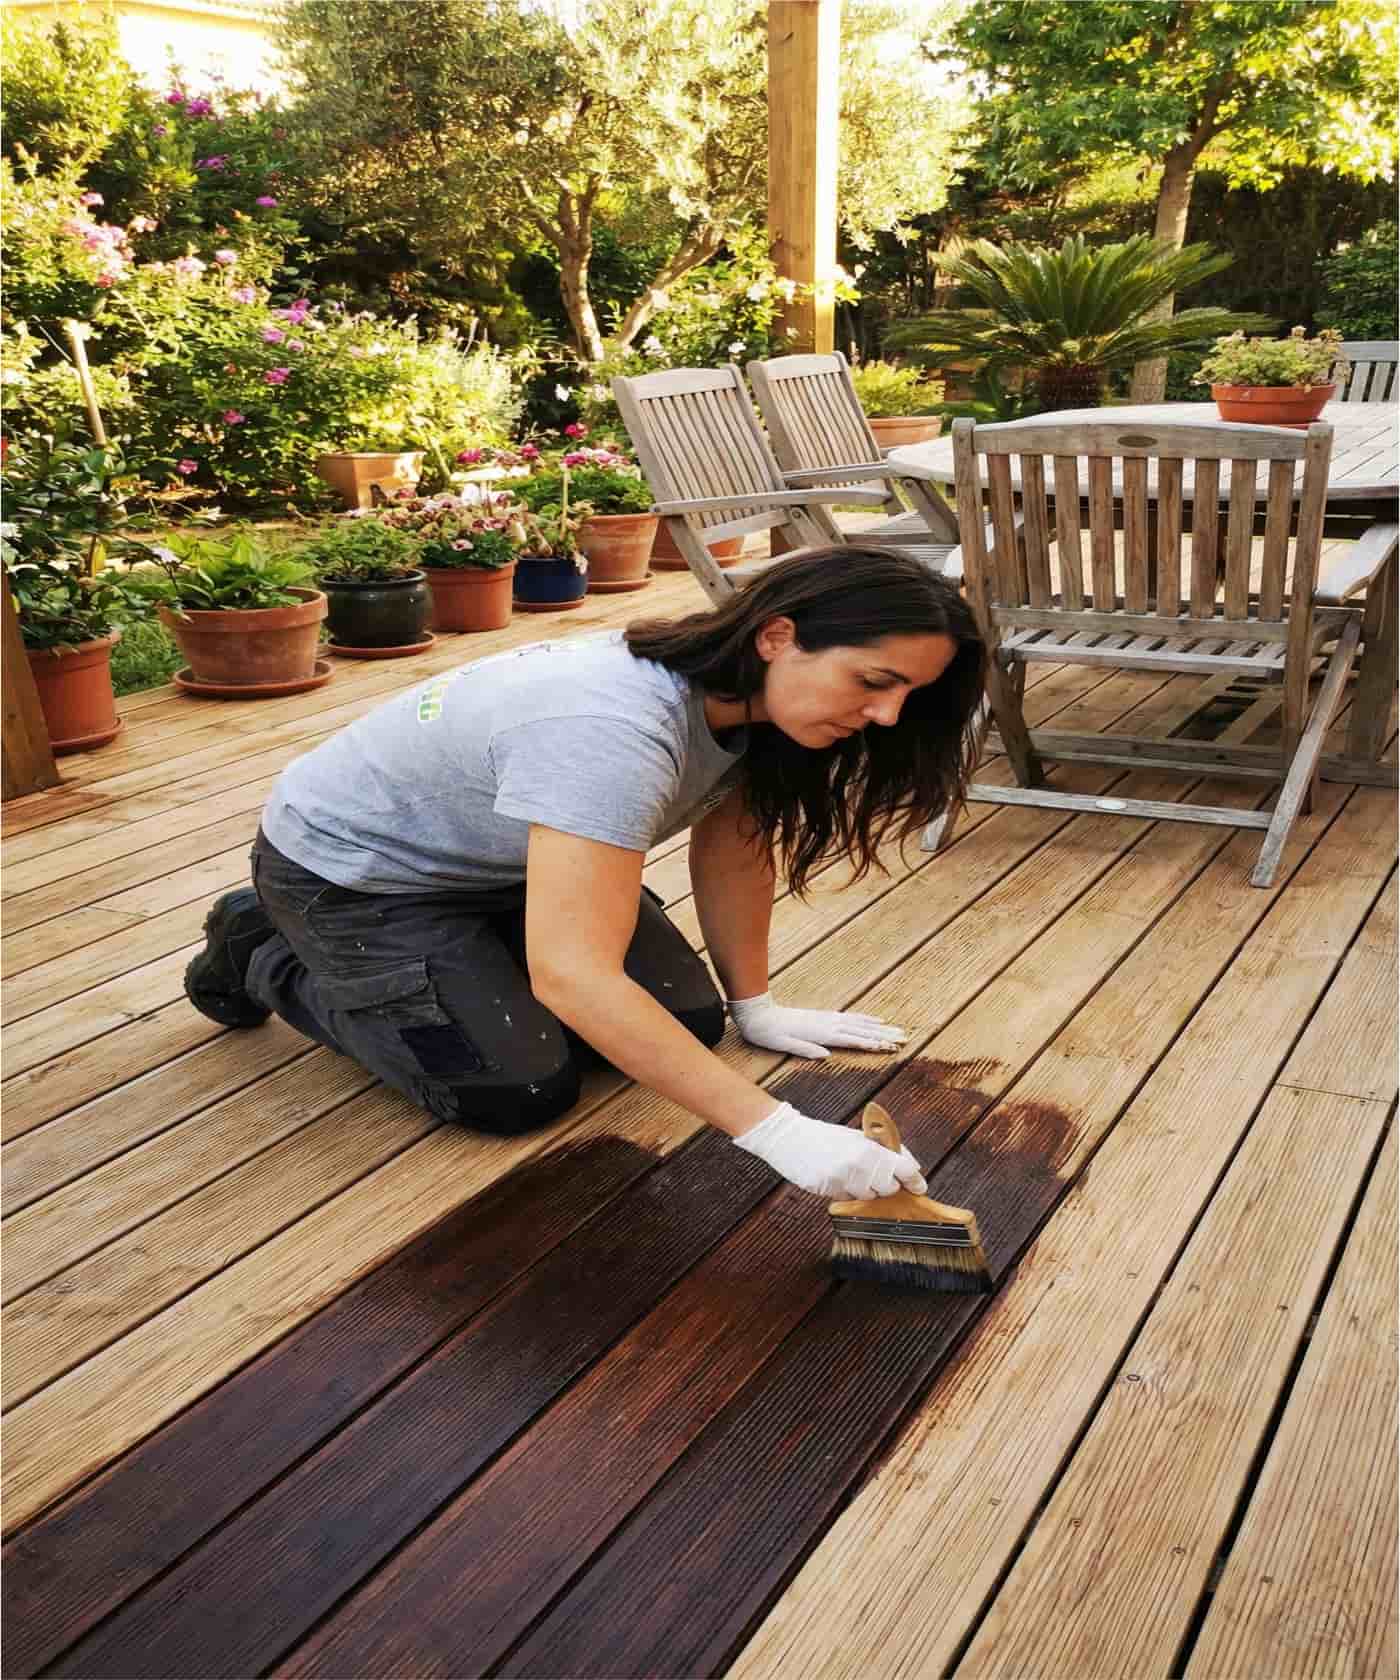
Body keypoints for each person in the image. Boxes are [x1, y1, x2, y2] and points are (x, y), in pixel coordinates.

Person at [185, 546, 985, 1202]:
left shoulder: (758, 705)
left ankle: (477, 961)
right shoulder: (608, 728)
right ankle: (261, 945)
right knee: (513, 1086)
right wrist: (777, 1131)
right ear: (777, 636)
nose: (886, 717)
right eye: (874, 682)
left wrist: (756, 1006)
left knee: (690, 1025)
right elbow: (573, 978)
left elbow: (733, 848)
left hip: (504, 861)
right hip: (358, 875)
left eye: (907, 695)